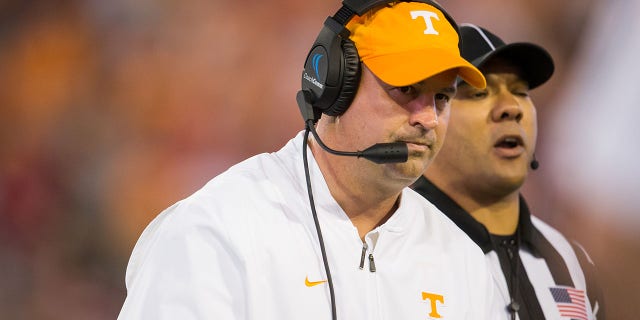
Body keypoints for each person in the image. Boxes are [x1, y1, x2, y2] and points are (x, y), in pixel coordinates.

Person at [117, 1, 503, 319]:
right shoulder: (215, 232)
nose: (428, 118)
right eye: (405, 89)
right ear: (335, 85)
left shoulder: (463, 261)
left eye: (442, 98)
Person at [412, 23, 605, 320]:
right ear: (428, 118)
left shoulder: (568, 259)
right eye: (479, 94)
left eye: (520, 91)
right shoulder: (389, 249)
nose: (511, 108)